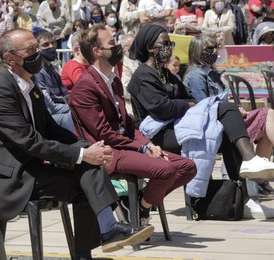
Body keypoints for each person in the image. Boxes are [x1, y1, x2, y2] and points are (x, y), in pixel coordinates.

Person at [0, 28, 155, 259]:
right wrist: (81, 154)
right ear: (10, 59)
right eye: (30, 50)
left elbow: (53, 130)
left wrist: (89, 148)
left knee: (88, 171)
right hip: (9, 179)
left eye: (36, 48)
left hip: (31, 169)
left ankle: (101, 236)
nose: (37, 54)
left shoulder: (29, 85)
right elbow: (30, 142)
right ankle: (105, 233)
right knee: (85, 167)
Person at [127, 24, 274, 202]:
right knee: (226, 108)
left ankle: (243, 196)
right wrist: (186, 105)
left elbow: (189, 99)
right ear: (150, 47)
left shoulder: (166, 74)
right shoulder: (143, 76)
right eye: (164, 44)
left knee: (228, 136)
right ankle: (250, 159)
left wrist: (185, 104)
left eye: (170, 44)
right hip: (158, 134)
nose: (169, 48)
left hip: (178, 126)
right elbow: (162, 109)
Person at [69, 25, 196, 225]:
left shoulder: (113, 81)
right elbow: (103, 133)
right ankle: (140, 209)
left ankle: (140, 205)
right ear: (97, 51)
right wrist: (143, 148)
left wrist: (149, 145)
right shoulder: (86, 86)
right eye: (112, 44)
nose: (118, 47)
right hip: (110, 151)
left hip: (127, 144)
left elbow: (128, 125)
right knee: (167, 170)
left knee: (187, 167)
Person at [183, 34, 274, 217]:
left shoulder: (213, 73)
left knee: (268, 119)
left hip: (227, 118)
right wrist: (232, 108)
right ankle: (255, 180)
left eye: (213, 48)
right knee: (268, 115)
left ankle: (256, 178)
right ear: (196, 52)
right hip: (213, 124)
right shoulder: (196, 76)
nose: (213, 52)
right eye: (207, 49)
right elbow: (205, 105)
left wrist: (235, 107)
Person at [33, 29, 74, 132]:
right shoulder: (37, 72)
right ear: (36, 49)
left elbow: (65, 95)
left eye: (53, 43)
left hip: (63, 110)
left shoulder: (52, 68)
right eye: (46, 44)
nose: (51, 47)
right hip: (51, 116)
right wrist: (75, 107)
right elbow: (51, 108)